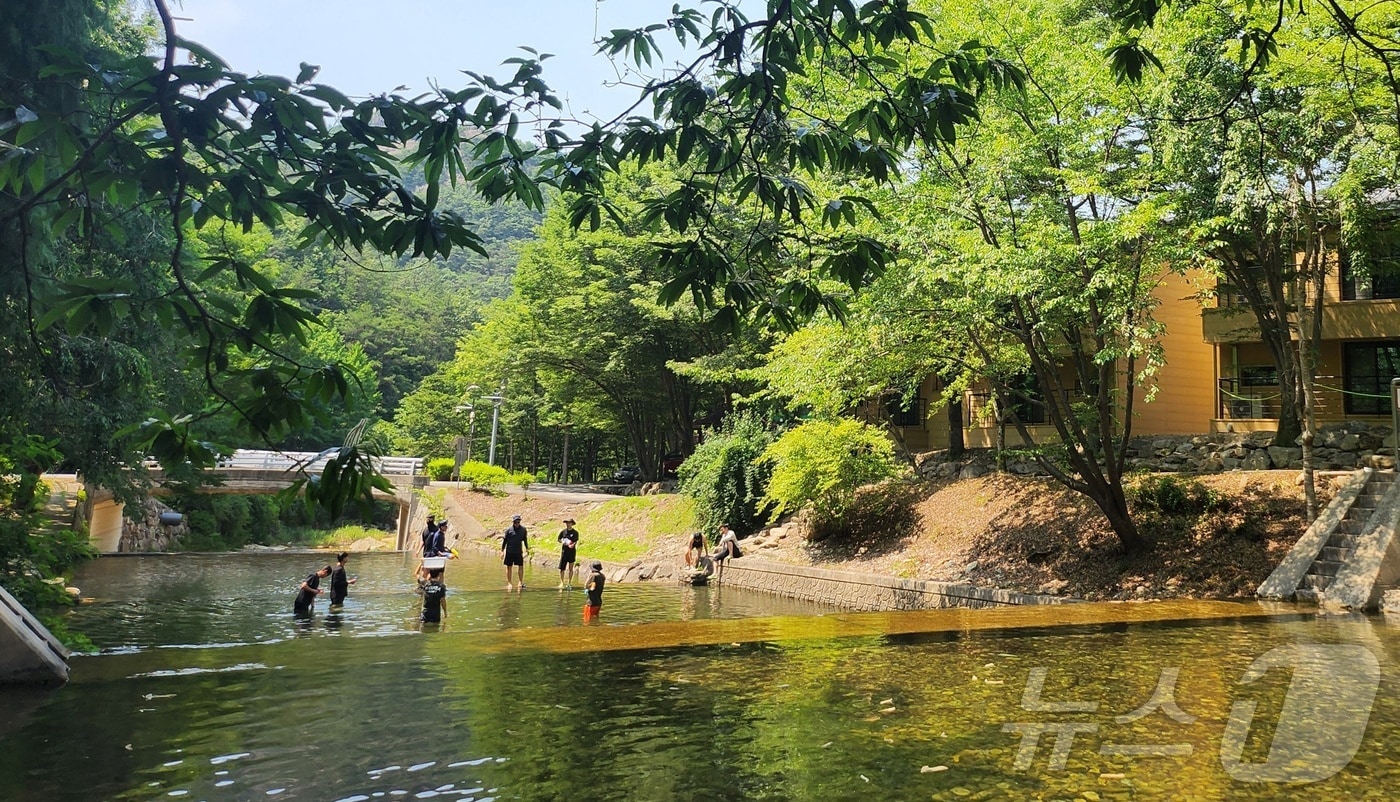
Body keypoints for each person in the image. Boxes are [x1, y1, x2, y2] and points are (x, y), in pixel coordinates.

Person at [501, 514, 530, 590]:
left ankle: (520, 582)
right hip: (510, 551)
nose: (517, 524)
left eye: (518, 522)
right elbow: (505, 541)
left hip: (518, 551)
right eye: (515, 522)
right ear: (513, 522)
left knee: (520, 566)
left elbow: (525, 539)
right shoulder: (509, 530)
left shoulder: (523, 530)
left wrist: (527, 548)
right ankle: (509, 583)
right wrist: (502, 551)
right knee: (509, 567)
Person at [557, 518, 579, 589]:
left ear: (572, 524)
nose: (568, 524)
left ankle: (569, 582)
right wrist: (562, 542)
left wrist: (573, 545)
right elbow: (559, 539)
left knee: (570, 567)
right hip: (564, 552)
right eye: (566, 523)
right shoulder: (563, 532)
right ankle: (561, 582)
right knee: (562, 568)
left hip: (572, 552)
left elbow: (575, 541)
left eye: (569, 523)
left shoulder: (575, 532)